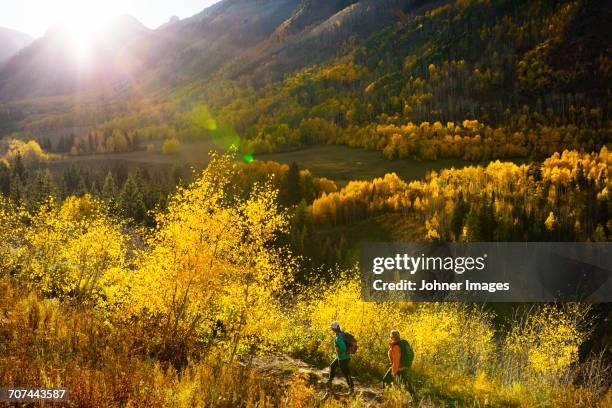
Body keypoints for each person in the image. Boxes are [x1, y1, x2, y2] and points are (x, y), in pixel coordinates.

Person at [325, 321, 354, 396]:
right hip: (342, 357)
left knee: (346, 374)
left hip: (343, 358)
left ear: (334, 329)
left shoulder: (338, 337)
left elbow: (343, 348)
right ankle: (329, 381)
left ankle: (351, 389)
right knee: (332, 366)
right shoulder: (342, 333)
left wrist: (339, 350)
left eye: (332, 328)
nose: (331, 329)